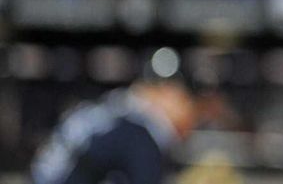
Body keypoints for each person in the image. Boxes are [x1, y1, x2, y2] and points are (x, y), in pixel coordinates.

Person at [30, 48, 200, 184]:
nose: (186, 107)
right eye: (180, 96)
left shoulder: (119, 110)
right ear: (160, 92)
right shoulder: (139, 132)